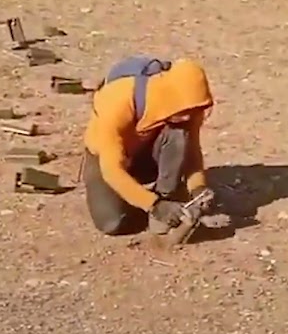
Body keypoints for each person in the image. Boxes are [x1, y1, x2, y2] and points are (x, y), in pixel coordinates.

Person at [81, 57, 215, 235]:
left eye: (193, 112)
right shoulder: (116, 103)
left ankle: (168, 196)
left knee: (178, 134)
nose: (188, 118)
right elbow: (112, 171)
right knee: (112, 223)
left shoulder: (189, 106)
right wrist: (153, 204)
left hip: (144, 153)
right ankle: (155, 205)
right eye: (183, 113)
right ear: (167, 99)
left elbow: (192, 152)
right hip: (106, 160)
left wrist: (198, 186)